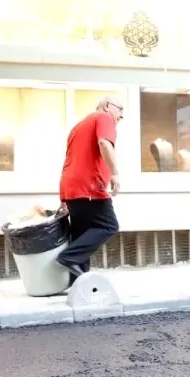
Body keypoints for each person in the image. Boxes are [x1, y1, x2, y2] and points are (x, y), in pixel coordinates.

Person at [56, 96, 124, 285]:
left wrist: (63, 196)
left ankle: (77, 284)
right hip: (90, 186)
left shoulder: (77, 127)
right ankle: (68, 257)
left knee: (81, 234)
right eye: (120, 110)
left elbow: (69, 160)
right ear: (107, 106)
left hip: (72, 188)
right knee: (109, 226)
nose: (121, 116)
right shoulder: (103, 118)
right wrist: (115, 173)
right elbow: (104, 143)